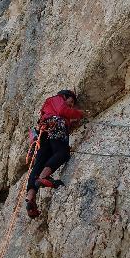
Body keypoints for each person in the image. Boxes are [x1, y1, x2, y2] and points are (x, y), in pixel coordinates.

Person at [26, 89, 84, 218]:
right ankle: (44, 177)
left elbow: (63, 114)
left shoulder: (48, 107)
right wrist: (79, 114)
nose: (71, 104)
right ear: (65, 96)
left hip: (44, 134)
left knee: (39, 164)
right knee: (62, 152)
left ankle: (30, 198)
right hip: (55, 125)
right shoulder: (57, 99)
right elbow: (63, 111)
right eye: (71, 101)